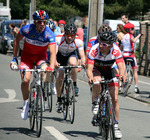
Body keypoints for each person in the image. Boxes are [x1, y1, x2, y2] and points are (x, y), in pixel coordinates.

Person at [10, 10, 56, 120]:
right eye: (39, 22)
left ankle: (41, 93)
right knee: (25, 80)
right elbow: (16, 40)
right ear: (34, 22)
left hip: (41, 58)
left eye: (44, 22)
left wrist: (52, 67)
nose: (42, 24)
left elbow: (53, 52)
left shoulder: (49, 33)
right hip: (27, 58)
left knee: (45, 73)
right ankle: (26, 104)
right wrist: (15, 58)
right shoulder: (26, 29)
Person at [86, 31, 126, 139]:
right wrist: (90, 77)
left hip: (110, 70)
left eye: (104, 44)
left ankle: (116, 125)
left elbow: (121, 66)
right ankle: (96, 101)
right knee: (97, 81)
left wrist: (122, 75)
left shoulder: (115, 50)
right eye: (100, 42)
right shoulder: (94, 49)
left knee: (115, 98)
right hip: (97, 70)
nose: (100, 45)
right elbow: (89, 69)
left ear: (111, 45)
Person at [55, 23, 86, 112]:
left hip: (70, 55)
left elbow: (82, 55)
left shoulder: (78, 41)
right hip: (60, 56)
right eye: (68, 35)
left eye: (72, 36)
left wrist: (83, 62)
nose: (69, 38)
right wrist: (55, 62)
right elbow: (55, 52)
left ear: (75, 35)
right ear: (64, 34)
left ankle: (75, 85)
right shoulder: (58, 39)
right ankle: (59, 99)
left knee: (73, 64)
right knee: (60, 76)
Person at [121, 22, 143, 93]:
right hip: (131, 55)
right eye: (133, 29)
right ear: (129, 30)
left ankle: (121, 85)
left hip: (124, 55)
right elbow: (133, 40)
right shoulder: (130, 36)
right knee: (135, 71)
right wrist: (139, 35)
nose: (134, 31)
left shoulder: (123, 37)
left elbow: (121, 47)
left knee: (124, 70)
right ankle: (136, 87)